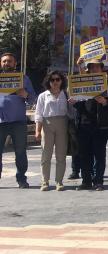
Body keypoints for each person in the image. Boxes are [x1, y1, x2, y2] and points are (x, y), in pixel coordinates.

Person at [0, 52, 37, 188]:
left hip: (19, 123)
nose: (6, 63)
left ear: (15, 63)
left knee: (20, 152)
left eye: (9, 61)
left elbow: (33, 98)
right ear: (0, 63)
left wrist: (26, 94)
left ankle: (21, 179)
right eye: (4, 61)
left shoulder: (23, 78)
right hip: (0, 122)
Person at [70, 89, 108, 191]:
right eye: (90, 71)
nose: (92, 71)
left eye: (95, 71)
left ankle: (98, 181)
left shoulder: (106, 87)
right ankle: (86, 181)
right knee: (84, 155)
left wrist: (105, 102)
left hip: (100, 126)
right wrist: (74, 102)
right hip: (83, 125)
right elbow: (79, 107)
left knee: (99, 155)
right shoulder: (82, 86)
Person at [34, 70, 70, 191]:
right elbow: (38, 114)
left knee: (61, 154)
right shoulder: (43, 96)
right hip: (47, 123)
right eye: (52, 80)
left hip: (62, 123)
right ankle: (45, 181)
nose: (55, 82)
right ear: (48, 81)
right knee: (46, 154)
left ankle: (59, 181)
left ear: (61, 81)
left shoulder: (66, 94)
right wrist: (38, 130)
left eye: (57, 79)